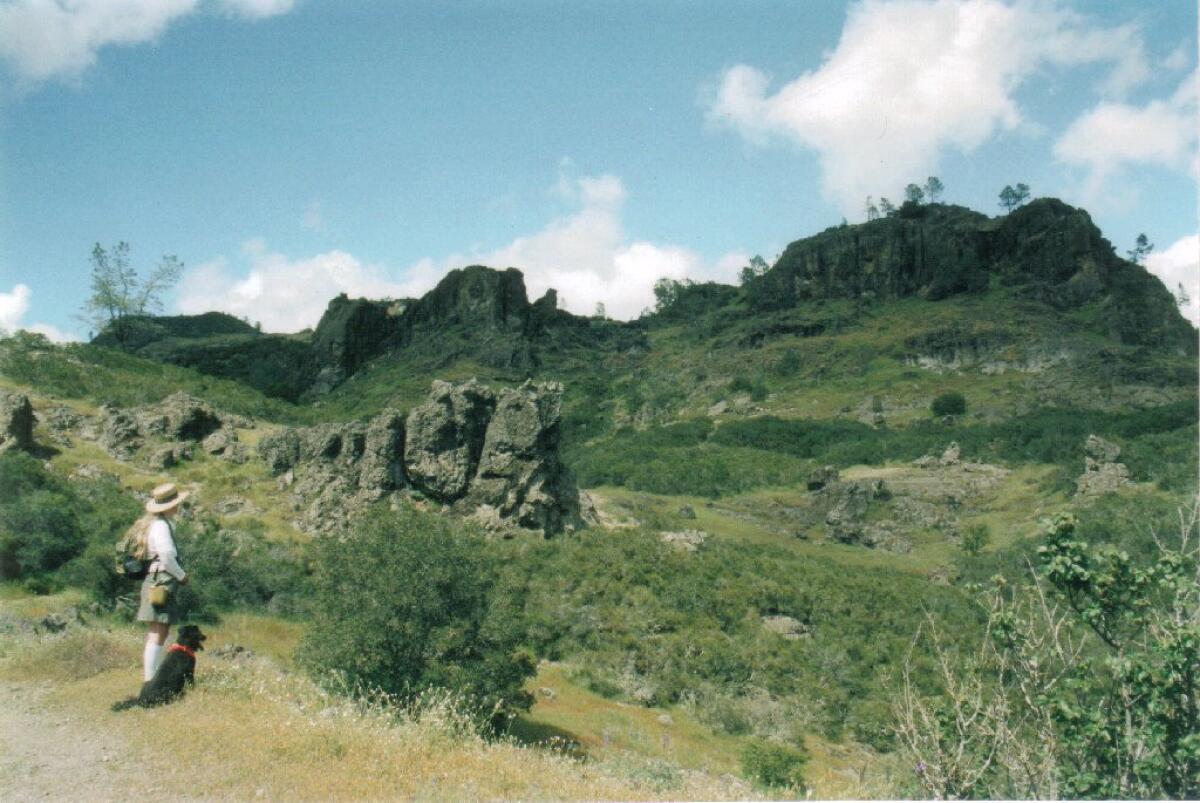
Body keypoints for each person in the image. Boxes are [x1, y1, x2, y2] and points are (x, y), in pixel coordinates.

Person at [135, 482, 190, 682]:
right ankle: (150, 681)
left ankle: (153, 676)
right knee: (158, 630)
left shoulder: (158, 524)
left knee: (160, 629)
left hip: (157, 579)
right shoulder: (161, 526)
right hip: (162, 581)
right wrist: (181, 575)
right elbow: (166, 556)